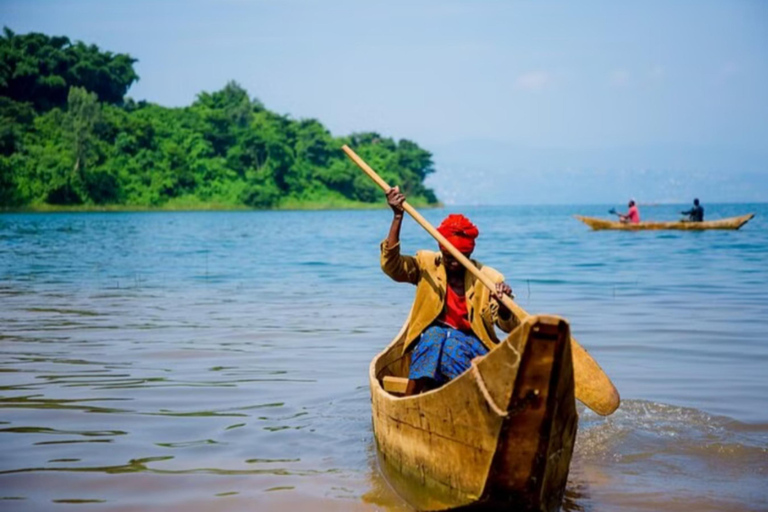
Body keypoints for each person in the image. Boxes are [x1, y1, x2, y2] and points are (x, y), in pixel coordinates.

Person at [381, 186, 520, 395]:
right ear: (441, 250)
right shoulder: (426, 264)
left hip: (473, 347)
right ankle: (409, 402)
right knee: (436, 335)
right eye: (449, 256)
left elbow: (509, 326)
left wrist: (503, 307)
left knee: (449, 342)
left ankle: (472, 396)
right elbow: (392, 267)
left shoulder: (490, 279)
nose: (453, 262)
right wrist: (398, 216)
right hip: (432, 343)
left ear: (470, 252)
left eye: (460, 257)